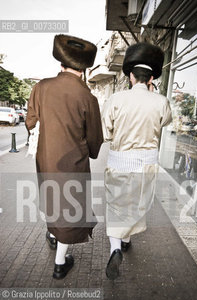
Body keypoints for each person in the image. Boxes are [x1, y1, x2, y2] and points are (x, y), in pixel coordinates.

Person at [26, 34, 103, 279]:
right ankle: (60, 262)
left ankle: (51, 234)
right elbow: (95, 138)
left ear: (61, 63)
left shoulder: (41, 87)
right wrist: (91, 151)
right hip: (73, 161)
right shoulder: (88, 98)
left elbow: (30, 122)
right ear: (84, 70)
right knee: (70, 207)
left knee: (51, 196)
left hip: (46, 158)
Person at [101, 42, 172, 280]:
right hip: (146, 163)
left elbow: (106, 132)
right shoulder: (161, 101)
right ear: (150, 78)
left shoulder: (116, 100)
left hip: (120, 161)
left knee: (116, 204)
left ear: (131, 76)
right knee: (137, 202)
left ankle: (115, 249)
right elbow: (164, 124)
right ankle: (127, 239)